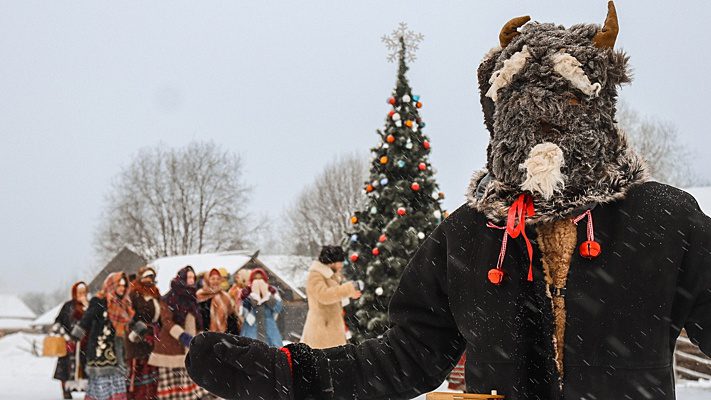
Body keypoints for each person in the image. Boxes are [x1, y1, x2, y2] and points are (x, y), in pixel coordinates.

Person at [185, 3, 711, 400]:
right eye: (519, 107)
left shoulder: (664, 219)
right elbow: (405, 355)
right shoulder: (468, 233)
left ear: (598, 108)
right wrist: (288, 373)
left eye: (565, 103)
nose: (539, 127)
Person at [148, 266, 209, 400]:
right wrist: (181, 335)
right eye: (189, 277)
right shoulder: (169, 298)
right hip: (171, 346)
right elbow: (166, 321)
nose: (192, 280)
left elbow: (197, 320)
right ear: (181, 278)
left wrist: (200, 337)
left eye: (193, 277)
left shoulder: (192, 297)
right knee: (173, 388)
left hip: (190, 345)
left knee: (188, 386)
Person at [72, 272, 133, 400]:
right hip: (101, 348)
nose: (122, 288)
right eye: (119, 285)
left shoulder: (125, 303)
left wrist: (138, 328)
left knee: (117, 381)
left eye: (124, 285)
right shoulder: (99, 300)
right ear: (111, 285)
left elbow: (130, 321)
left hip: (118, 349)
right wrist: (79, 330)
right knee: (101, 385)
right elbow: (88, 317)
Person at [300, 245, 362, 349]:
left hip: (330, 329)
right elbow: (324, 296)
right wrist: (348, 289)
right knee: (325, 361)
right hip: (322, 330)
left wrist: (349, 295)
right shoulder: (315, 275)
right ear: (332, 262)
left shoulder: (329, 275)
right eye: (340, 262)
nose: (342, 265)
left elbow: (332, 300)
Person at [125, 266, 161, 400]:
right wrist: (137, 330)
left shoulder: (156, 294)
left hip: (152, 336)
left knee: (152, 371)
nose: (148, 280)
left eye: (151, 277)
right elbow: (129, 316)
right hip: (136, 336)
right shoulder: (133, 294)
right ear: (140, 278)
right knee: (138, 370)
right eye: (146, 277)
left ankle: (150, 396)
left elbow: (161, 315)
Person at [52, 281, 89, 399]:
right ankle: (67, 392)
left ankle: (88, 392)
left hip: (85, 345)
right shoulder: (67, 306)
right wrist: (65, 336)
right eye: (79, 292)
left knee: (86, 368)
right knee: (65, 369)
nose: (81, 294)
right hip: (69, 344)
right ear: (74, 292)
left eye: (83, 292)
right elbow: (58, 322)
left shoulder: (90, 306)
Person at [238, 268, 283, 346]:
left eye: (260, 278)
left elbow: (278, 307)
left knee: (273, 352)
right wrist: (254, 296)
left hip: (269, 328)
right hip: (251, 327)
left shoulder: (272, 291)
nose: (258, 281)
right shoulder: (246, 291)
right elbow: (242, 310)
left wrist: (266, 295)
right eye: (255, 278)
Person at [197, 268, 239, 334]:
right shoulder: (200, 295)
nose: (215, 281)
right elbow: (198, 318)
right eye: (213, 279)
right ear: (207, 280)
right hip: (204, 336)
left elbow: (231, 319)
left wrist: (231, 336)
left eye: (218, 279)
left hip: (223, 337)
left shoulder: (226, 296)